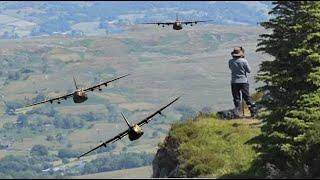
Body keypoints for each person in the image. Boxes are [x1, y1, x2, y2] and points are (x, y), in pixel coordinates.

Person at [228, 47, 257, 118]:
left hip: (234, 82)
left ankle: (237, 113)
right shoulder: (244, 61)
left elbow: (231, 68)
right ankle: (253, 112)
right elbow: (249, 70)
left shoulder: (230, 61)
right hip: (244, 81)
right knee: (247, 97)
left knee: (236, 98)